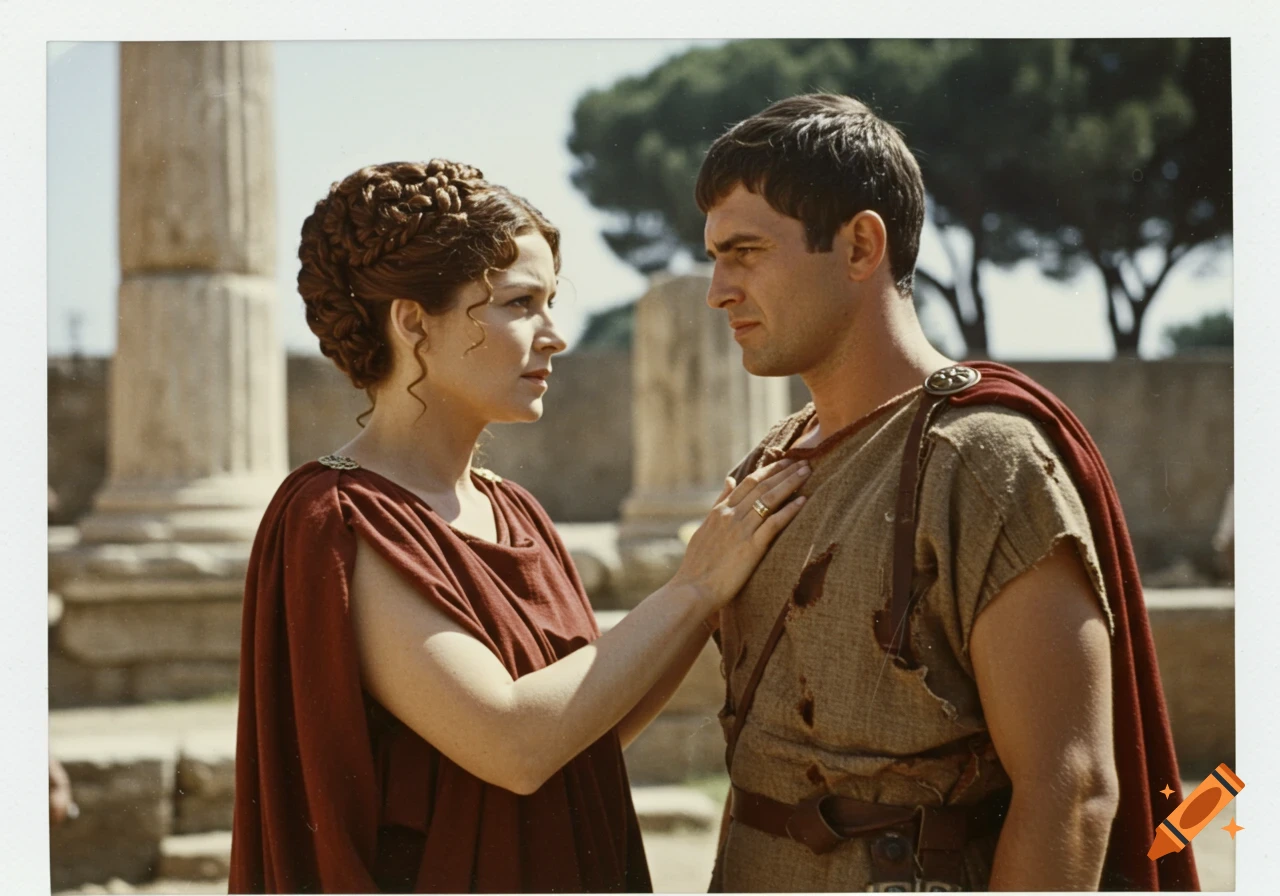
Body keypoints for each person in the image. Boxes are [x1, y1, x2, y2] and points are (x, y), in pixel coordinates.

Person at [228, 159, 810, 894]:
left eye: (548, 302)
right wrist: (693, 586)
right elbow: (514, 741)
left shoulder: (516, 510)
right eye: (519, 303)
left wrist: (724, 583)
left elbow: (586, 729)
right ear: (412, 322)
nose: (553, 336)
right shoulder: (339, 518)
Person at [696, 94, 1198, 891]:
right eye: (715, 257)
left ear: (861, 245)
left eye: (747, 252)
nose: (719, 289)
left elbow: (1069, 790)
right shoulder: (772, 458)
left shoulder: (984, 460)